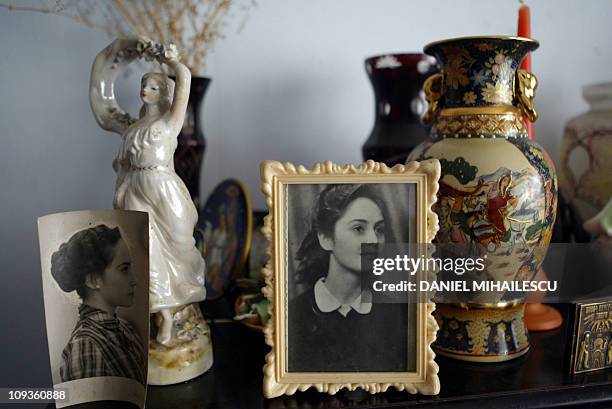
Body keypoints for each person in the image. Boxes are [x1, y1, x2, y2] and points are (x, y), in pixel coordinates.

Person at [90, 38, 206, 346]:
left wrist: (170, 62)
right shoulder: (132, 128)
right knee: (145, 250)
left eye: (154, 87)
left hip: (164, 189)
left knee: (182, 246)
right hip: (136, 190)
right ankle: (162, 314)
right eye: (145, 86)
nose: (146, 91)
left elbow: (185, 80)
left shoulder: (170, 123)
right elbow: (102, 108)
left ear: (164, 93)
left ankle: (181, 307)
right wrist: (120, 50)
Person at [288, 184, 409, 372]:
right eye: (359, 228)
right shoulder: (292, 316)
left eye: (379, 230)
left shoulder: (398, 312)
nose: (374, 241)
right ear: (326, 239)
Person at [50, 225, 146, 384]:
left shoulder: (126, 329)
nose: (134, 280)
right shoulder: (85, 346)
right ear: (93, 280)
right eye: (124, 269)